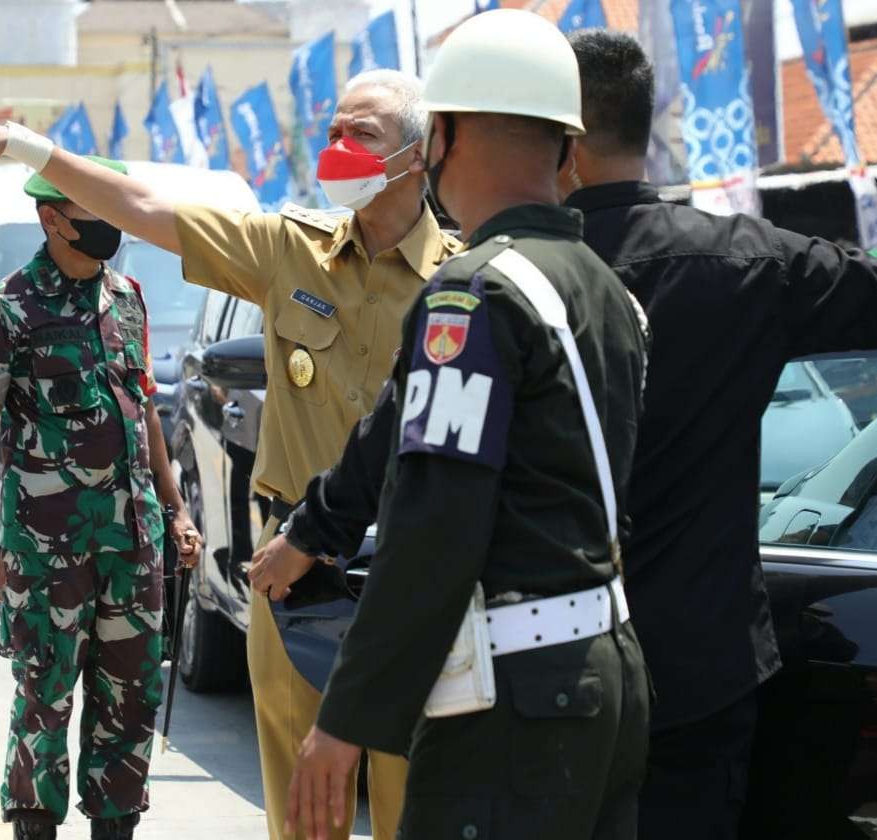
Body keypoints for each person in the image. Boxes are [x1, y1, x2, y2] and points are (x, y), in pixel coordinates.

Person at [261, 27, 877, 840]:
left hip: (523, 688)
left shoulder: (496, 284)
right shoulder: (732, 267)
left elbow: (414, 468)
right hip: (687, 676)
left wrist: (314, 543)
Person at [0, 68, 459, 840]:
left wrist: (169, 510)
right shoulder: (285, 249)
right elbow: (145, 207)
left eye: (360, 134)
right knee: (304, 810)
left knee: (418, 800)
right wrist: (21, 146)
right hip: (292, 571)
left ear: (421, 151)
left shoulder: (467, 280)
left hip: (415, 569)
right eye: (331, 131)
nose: (338, 149)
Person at [281, 10, 650, 840]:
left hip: (512, 704)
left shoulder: (473, 293)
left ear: (441, 136)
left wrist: (345, 721)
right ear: (566, 147)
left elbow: (432, 524)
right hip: (605, 677)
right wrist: (316, 523)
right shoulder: (600, 284)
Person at [0, 159, 202, 840]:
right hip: (46, 549)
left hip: (134, 543)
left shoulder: (128, 298)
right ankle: (35, 827)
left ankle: (115, 828)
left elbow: (144, 408)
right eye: (93, 208)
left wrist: (176, 508)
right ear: (53, 218)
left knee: (131, 696)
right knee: (45, 698)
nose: (109, 221)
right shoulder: (4, 310)